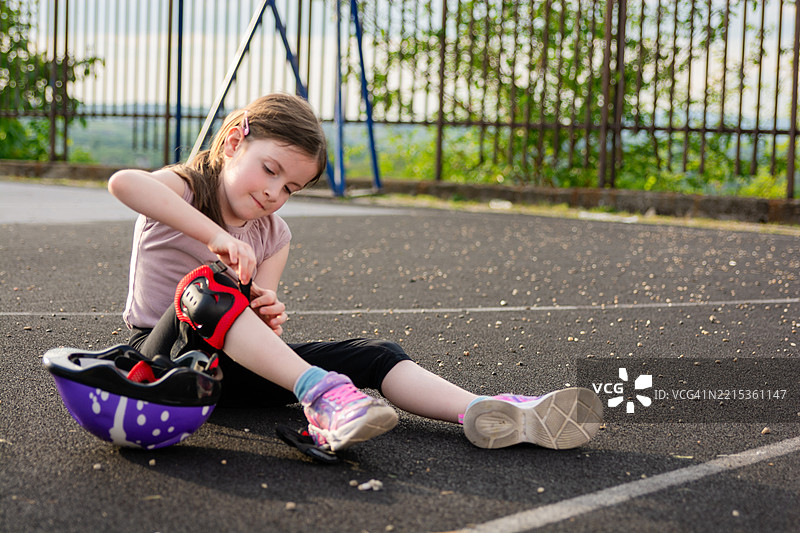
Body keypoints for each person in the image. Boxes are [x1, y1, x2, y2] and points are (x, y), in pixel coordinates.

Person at [109, 93, 603, 452]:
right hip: (159, 363)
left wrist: (265, 311)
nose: (275, 193)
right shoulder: (187, 188)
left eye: (291, 188)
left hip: (227, 375)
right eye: (271, 170)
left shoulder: (274, 235)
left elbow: (257, 329)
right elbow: (125, 183)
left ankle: (484, 409)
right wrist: (216, 238)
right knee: (206, 285)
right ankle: (323, 396)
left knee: (377, 354)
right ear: (235, 141)